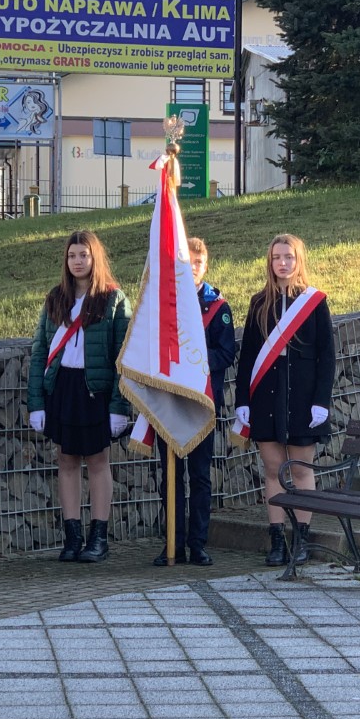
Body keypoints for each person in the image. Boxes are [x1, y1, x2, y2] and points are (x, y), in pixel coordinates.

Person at [27, 230, 132, 563]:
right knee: (66, 460)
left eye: (83, 255)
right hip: (63, 387)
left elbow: (123, 357)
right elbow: (40, 351)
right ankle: (72, 536)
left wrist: (119, 406)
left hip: (95, 389)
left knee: (98, 461)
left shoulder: (113, 299)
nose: (77, 261)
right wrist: (36, 402)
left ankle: (98, 537)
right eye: (72, 255)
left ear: (94, 257)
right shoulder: (55, 298)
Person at [234, 234, 335, 567]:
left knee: (302, 470)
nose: (282, 263)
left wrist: (321, 401)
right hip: (266, 399)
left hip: (303, 399)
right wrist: (242, 400)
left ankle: (301, 538)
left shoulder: (314, 302)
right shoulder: (258, 303)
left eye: (288, 257)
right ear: (270, 262)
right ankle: (276, 539)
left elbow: (326, 356)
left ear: (298, 260)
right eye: (277, 257)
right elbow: (248, 356)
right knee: (273, 470)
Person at [153, 237, 237, 567]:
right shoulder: (165, 305)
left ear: (206, 266)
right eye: (187, 263)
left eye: (198, 263)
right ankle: (172, 544)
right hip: (171, 404)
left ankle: (198, 543)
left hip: (202, 404)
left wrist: (193, 364)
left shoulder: (218, 308)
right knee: (170, 476)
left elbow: (226, 353)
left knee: (200, 476)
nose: (193, 268)